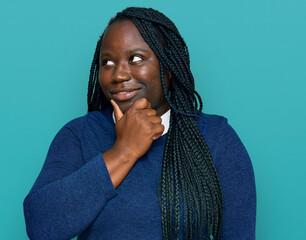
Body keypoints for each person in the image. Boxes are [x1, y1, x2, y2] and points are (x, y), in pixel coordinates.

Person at [23, 7, 256, 240]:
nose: (119, 75)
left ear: (168, 67)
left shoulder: (215, 139)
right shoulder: (79, 135)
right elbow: (41, 226)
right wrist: (124, 149)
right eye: (107, 62)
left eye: (135, 59)